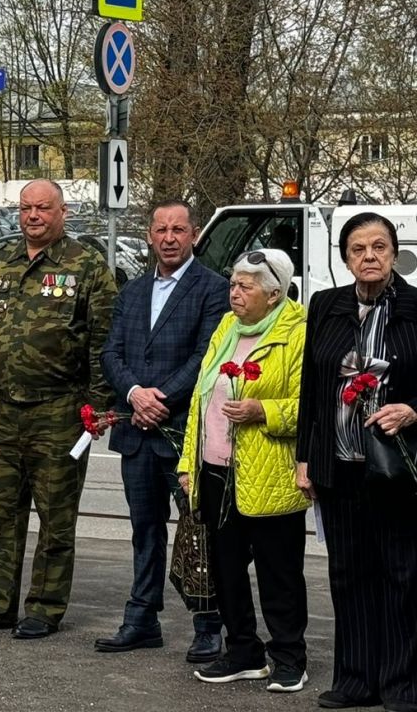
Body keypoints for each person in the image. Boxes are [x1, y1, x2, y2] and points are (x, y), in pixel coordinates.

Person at [0, 179, 116, 639]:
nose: (33, 216)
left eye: (43, 208)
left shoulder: (86, 266)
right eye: (26, 208)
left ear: (61, 212)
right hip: (4, 409)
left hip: (60, 409)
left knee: (55, 514)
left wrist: (99, 406)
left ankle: (44, 607)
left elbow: (102, 340)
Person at [96, 200, 227, 661]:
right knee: (143, 529)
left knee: (198, 530)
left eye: (178, 230)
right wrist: (134, 393)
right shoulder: (131, 291)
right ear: (149, 235)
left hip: (183, 432)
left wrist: (160, 399)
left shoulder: (213, 288)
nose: (169, 238)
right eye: (160, 230)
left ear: (193, 235)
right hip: (136, 430)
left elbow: (205, 356)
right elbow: (111, 353)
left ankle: (208, 622)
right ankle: (141, 618)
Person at [296, 213, 417, 712]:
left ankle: (401, 683)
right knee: (348, 573)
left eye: (379, 247)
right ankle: (354, 679)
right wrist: (305, 458)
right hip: (339, 465)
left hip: (396, 468)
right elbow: (311, 388)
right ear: (344, 257)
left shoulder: (414, 307)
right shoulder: (326, 305)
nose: (370, 257)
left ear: (394, 253)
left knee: (401, 575)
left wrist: (414, 408)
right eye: (358, 249)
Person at [177, 248, 309, 691]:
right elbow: (201, 397)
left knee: (279, 571)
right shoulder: (227, 327)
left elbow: (310, 408)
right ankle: (243, 652)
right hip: (215, 467)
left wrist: (263, 411)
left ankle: (289, 657)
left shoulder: (299, 332)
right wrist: (187, 463)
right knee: (225, 568)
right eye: (233, 284)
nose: (233, 293)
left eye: (244, 286)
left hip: (269, 471)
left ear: (273, 294)